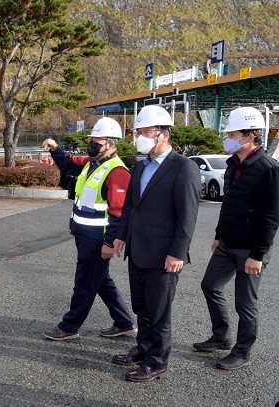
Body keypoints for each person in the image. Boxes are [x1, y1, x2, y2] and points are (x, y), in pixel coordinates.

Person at [112, 105, 200, 382]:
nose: (140, 137)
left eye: (146, 132)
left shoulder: (183, 167)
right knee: (142, 307)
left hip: (164, 255)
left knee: (159, 312)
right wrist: (121, 235)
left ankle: (158, 362)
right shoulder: (140, 166)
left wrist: (177, 253)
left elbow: (187, 215)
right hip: (138, 249)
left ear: (164, 134)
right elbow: (131, 206)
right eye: (138, 132)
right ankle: (143, 349)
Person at [193, 106, 279, 370]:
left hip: (250, 250)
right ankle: (221, 337)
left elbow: (271, 217)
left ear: (250, 136)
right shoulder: (233, 165)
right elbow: (228, 205)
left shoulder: (268, 168)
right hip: (227, 244)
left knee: (245, 303)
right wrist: (219, 236)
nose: (227, 138)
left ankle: (242, 352)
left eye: (232, 134)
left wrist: (258, 255)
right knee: (210, 286)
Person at [41, 117, 136, 342]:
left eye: (97, 140)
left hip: (98, 239)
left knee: (84, 283)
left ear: (111, 144)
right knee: (100, 280)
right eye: (91, 139)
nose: (92, 143)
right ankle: (124, 322)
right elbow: (68, 163)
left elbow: (119, 213)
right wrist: (55, 148)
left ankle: (69, 326)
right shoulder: (92, 163)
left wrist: (110, 242)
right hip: (84, 235)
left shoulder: (117, 172)